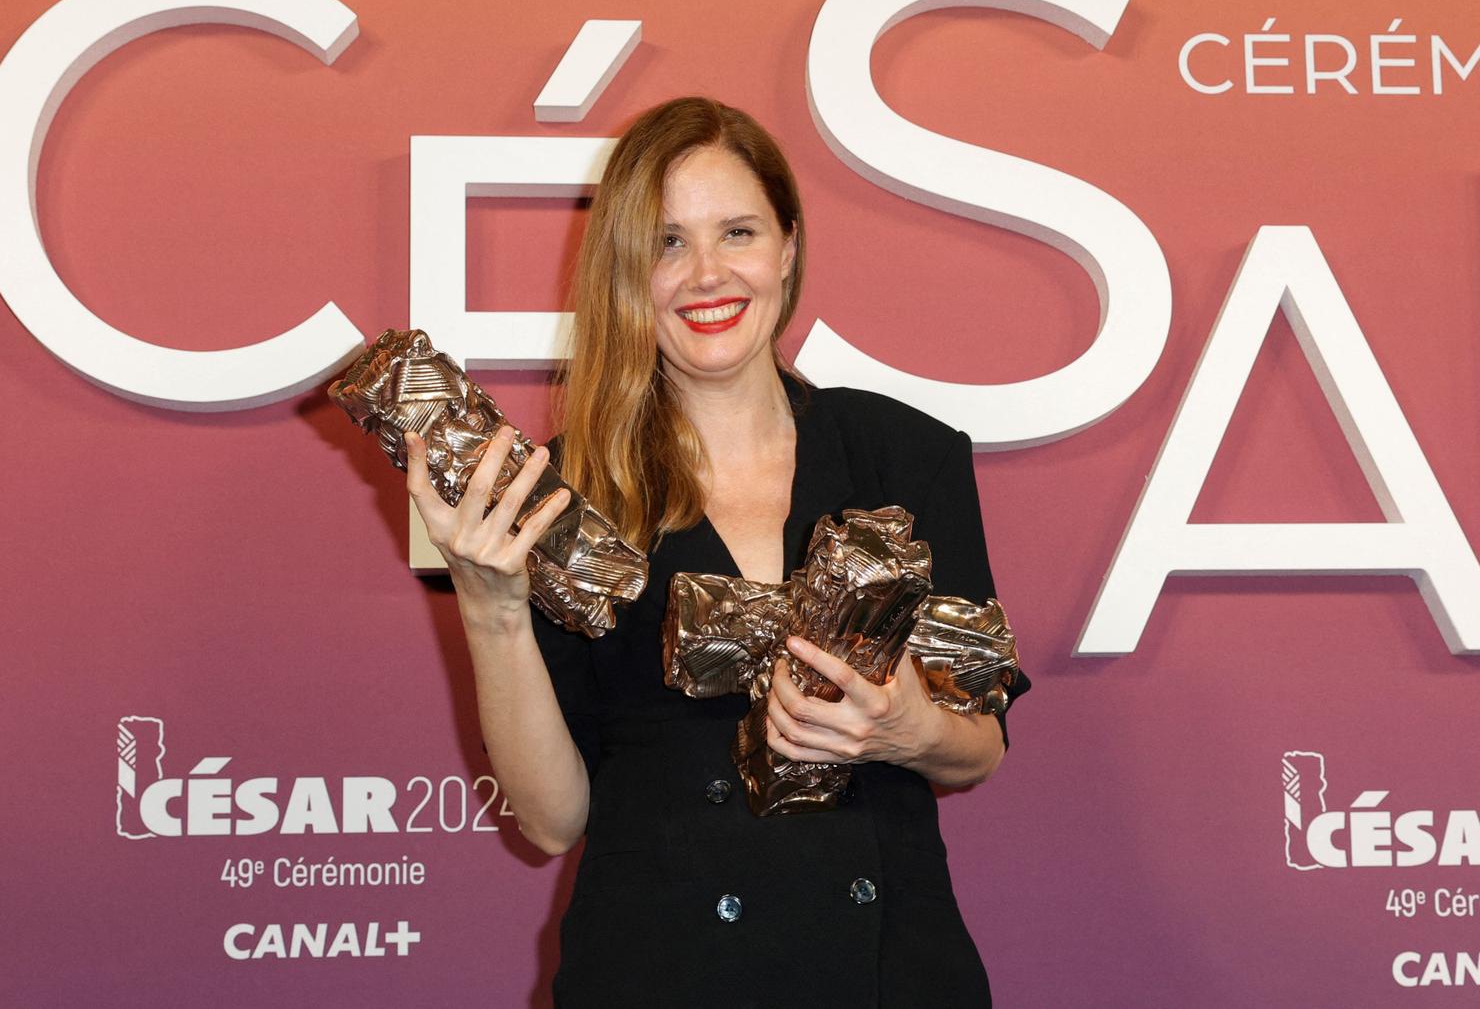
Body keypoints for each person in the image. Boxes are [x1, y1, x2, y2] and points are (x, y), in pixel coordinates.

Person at [400, 96, 1029, 1007]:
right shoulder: (562, 499)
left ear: (789, 247)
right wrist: (491, 606)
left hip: (891, 971)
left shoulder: (906, 456)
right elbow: (550, 818)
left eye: (737, 231)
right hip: (660, 967)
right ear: (626, 271)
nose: (706, 274)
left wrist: (908, 727)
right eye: (666, 243)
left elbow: (981, 747)